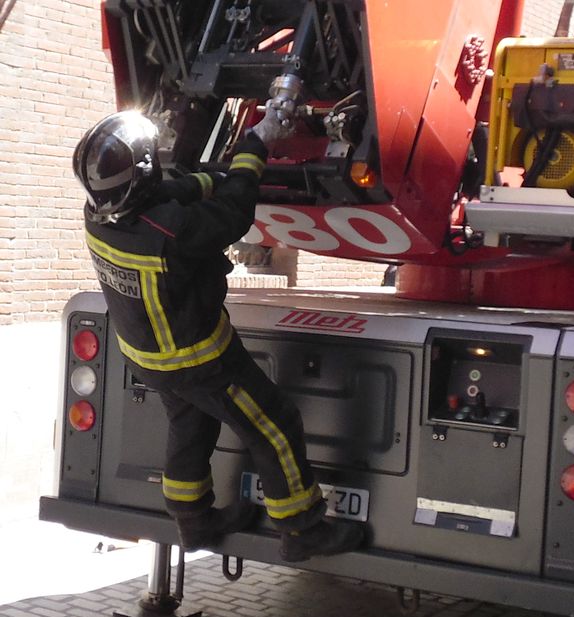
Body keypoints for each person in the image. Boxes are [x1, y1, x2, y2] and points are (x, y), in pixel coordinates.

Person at [72, 98, 365, 562]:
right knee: (274, 424)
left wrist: (210, 178)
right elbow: (232, 214)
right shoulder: (173, 231)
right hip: (201, 360)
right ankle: (301, 528)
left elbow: (169, 194)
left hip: (150, 358)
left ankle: (195, 524)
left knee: (190, 428)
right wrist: (256, 145)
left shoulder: (101, 215)